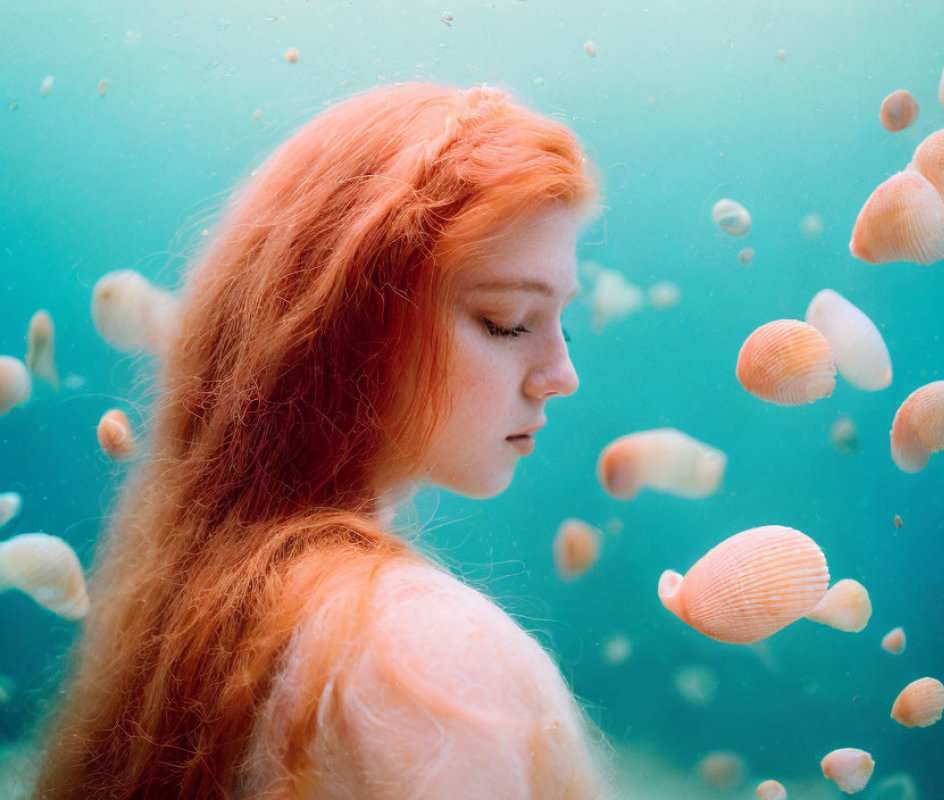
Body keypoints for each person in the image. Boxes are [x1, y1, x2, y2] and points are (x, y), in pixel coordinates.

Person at [32, 82, 610, 799]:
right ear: (352, 325)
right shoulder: (426, 659)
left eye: (562, 321)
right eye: (509, 319)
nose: (563, 374)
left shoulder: (196, 612)